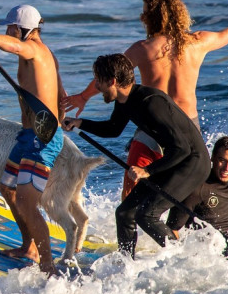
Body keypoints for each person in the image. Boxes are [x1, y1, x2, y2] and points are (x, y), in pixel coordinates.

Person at [63, 0, 228, 198]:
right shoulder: (198, 42)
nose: (141, 17)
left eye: (145, 13)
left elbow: (112, 75)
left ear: (152, 18)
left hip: (152, 126)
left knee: (132, 192)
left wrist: (83, 96)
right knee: (181, 193)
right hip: (188, 127)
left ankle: (131, 227)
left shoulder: (144, 49)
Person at [62, 53, 210, 257]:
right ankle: (126, 265)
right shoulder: (125, 101)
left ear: (112, 81)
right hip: (174, 160)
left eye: (99, 81)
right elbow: (113, 129)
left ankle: (184, 258)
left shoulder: (151, 102)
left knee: (147, 215)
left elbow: (183, 148)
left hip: (193, 163)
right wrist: (81, 123)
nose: (96, 86)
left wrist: (147, 170)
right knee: (124, 213)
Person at [0, 4, 66, 276]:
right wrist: (61, 116)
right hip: (29, 136)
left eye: (11, 28)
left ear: (25, 29)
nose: (8, 32)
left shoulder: (33, 48)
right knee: (8, 188)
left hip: (41, 139)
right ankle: (28, 246)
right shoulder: (46, 57)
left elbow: (16, 47)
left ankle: (48, 266)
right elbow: (61, 94)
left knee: (28, 203)